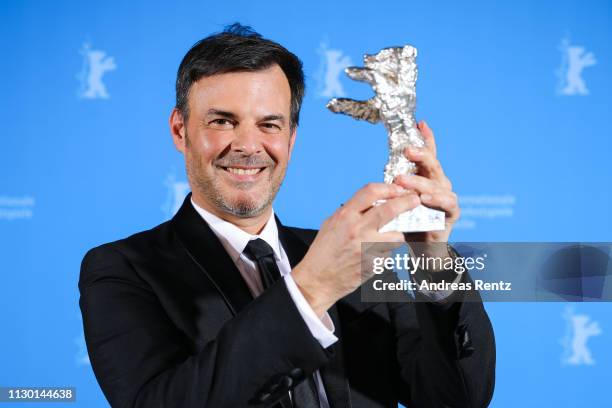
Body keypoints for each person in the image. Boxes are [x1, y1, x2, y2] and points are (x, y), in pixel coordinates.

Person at [79, 23, 495, 408]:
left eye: (269, 125)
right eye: (223, 121)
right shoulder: (122, 271)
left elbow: (454, 399)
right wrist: (312, 288)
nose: (247, 145)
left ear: (291, 138)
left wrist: (431, 259)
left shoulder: (354, 257)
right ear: (180, 130)